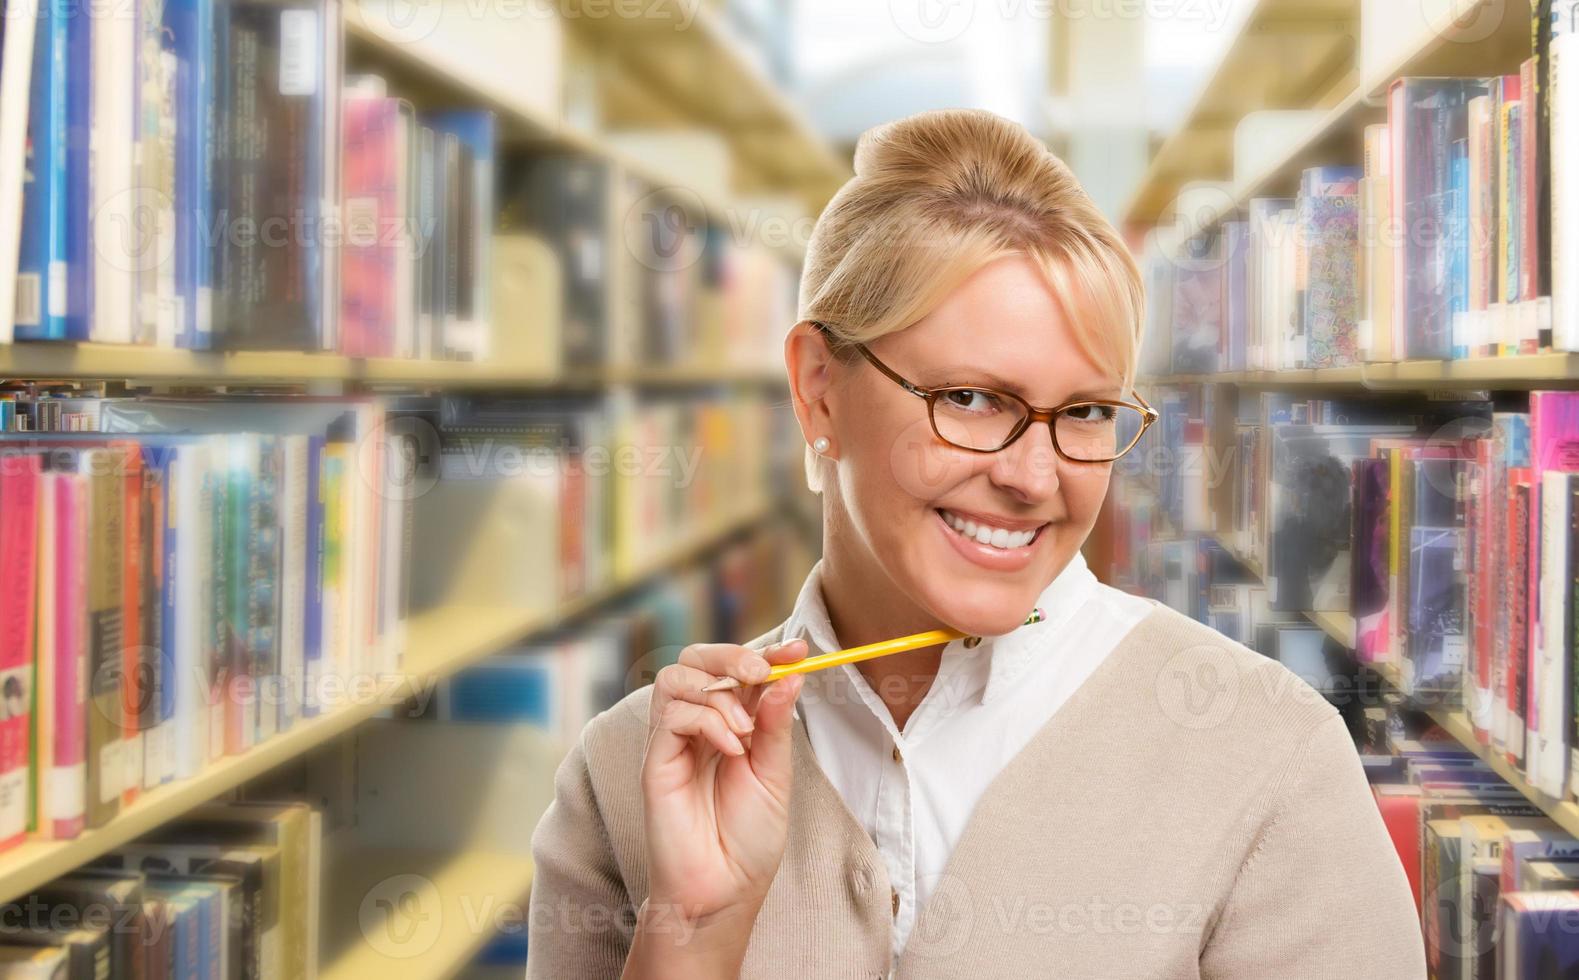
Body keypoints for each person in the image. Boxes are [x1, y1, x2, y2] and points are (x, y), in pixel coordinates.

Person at [527, 108, 1425, 979]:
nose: (1034, 478)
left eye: (1083, 412)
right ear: (818, 389)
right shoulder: (632, 772)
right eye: (970, 398)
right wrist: (691, 935)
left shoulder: (1266, 754)